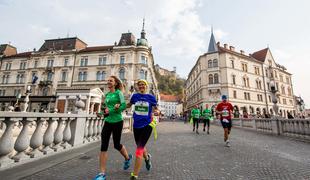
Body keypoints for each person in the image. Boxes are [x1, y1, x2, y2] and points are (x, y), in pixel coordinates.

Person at [94, 76, 132, 180]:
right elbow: (106, 110)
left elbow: (124, 106)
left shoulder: (118, 93)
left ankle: (127, 158)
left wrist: (117, 107)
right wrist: (101, 113)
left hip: (117, 122)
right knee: (103, 146)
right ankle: (102, 173)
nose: (108, 82)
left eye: (111, 81)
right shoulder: (107, 95)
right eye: (108, 81)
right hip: (108, 122)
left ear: (115, 83)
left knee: (116, 145)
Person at [127, 79, 158, 180]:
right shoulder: (135, 96)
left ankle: (135, 174)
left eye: (143, 85)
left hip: (147, 125)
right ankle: (147, 158)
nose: (141, 86)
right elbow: (129, 105)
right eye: (139, 85)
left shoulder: (151, 97)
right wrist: (119, 107)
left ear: (146, 86)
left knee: (139, 149)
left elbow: (156, 108)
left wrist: (156, 111)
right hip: (136, 125)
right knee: (140, 145)